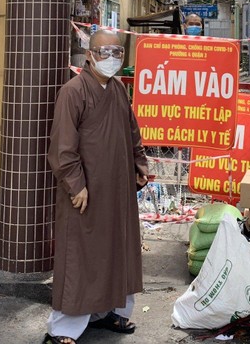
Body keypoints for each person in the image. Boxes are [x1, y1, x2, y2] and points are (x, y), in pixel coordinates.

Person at [45, 29, 150, 344]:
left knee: (118, 251)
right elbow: (63, 148)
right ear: (89, 55)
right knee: (81, 256)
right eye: (104, 52)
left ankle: (110, 313)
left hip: (117, 192)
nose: (111, 58)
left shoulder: (117, 90)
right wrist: (76, 185)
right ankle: (62, 329)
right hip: (86, 194)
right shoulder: (73, 92)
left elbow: (133, 134)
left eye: (117, 52)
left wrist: (140, 165)